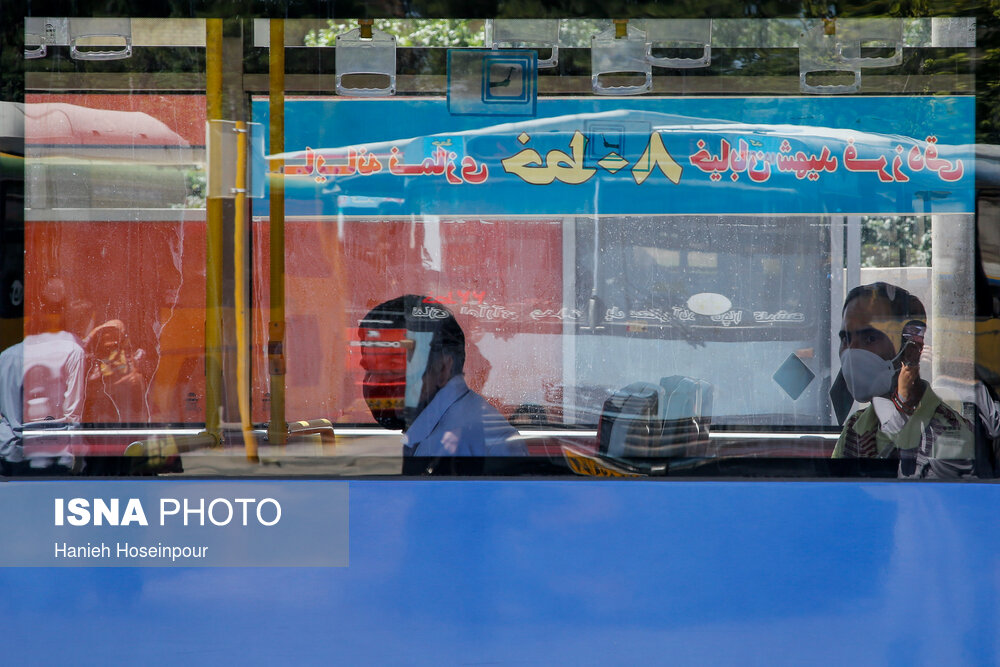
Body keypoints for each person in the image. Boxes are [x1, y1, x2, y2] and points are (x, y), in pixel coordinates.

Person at [831, 282, 976, 478]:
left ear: (910, 350)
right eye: (846, 340)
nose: (851, 352)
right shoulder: (854, 429)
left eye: (870, 339)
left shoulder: (950, 434)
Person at [356, 295, 526, 462]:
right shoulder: (431, 431)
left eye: (392, 366)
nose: (373, 382)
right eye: (369, 369)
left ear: (443, 367)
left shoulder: (486, 445)